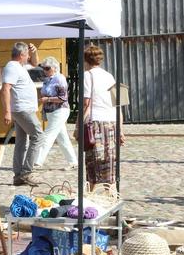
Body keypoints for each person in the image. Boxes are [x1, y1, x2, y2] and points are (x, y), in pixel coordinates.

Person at [75, 45, 125, 190]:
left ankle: (90, 198)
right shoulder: (109, 76)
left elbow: (86, 104)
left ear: (85, 60)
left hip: (95, 123)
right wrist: (120, 129)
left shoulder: (87, 76)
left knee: (93, 164)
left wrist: (78, 126)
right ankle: (111, 195)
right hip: (111, 121)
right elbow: (118, 104)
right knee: (109, 162)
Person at [1, 42, 44, 186]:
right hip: (22, 109)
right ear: (21, 55)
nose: (28, 58)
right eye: (26, 55)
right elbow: (5, 89)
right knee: (38, 135)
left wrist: (34, 52)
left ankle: (18, 175)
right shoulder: (12, 67)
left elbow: (36, 63)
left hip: (23, 109)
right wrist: (7, 111)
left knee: (21, 141)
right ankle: (27, 172)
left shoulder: (20, 66)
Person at [34, 56, 77, 170]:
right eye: (44, 68)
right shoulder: (48, 79)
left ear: (54, 68)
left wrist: (47, 99)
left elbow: (63, 98)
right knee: (62, 138)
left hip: (60, 110)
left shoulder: (59, 78)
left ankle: (37, 161)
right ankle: (73, 162)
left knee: (48, 135)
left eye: (47, 68)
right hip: (50, 111)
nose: (45, 70)